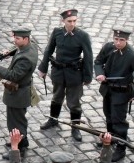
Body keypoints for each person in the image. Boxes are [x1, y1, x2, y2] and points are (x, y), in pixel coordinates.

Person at [38, 9, 94, 141]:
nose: (72, 24)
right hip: (58, 72)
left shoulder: (83, 36)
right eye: (69, 21)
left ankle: (76, 127)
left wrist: (87, 77)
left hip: (74, 74)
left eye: (74, 21)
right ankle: (53, 119)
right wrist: (43, 67)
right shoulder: (57, 32)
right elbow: (49, 50)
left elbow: (88, 57)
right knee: (56, 97)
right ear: (63, 21)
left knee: (74, 102)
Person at [93, 29, 134, 162]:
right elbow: (98, 61)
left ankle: (121, 148)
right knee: (109, 116)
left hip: (122, 92)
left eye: (121, 40)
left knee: (119, 121)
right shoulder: (108, 47)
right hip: (108, 89)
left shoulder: (133, 56)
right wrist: (99, 73)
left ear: (126, 40)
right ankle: (110, 139)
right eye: (116, 39)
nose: (118, 43)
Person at [0, 28, 38, 158]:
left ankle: (19, 149)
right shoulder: (29, 48)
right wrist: (8, 54)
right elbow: (18, 51)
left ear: (26, 39)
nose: (14, 41)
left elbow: (13, 75)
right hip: (19, 93)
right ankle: (23, 141)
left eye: (17, 39)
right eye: (14, 38)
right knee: (18, 120)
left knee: (15, 123)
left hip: (18, 95)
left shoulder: (26, 58)